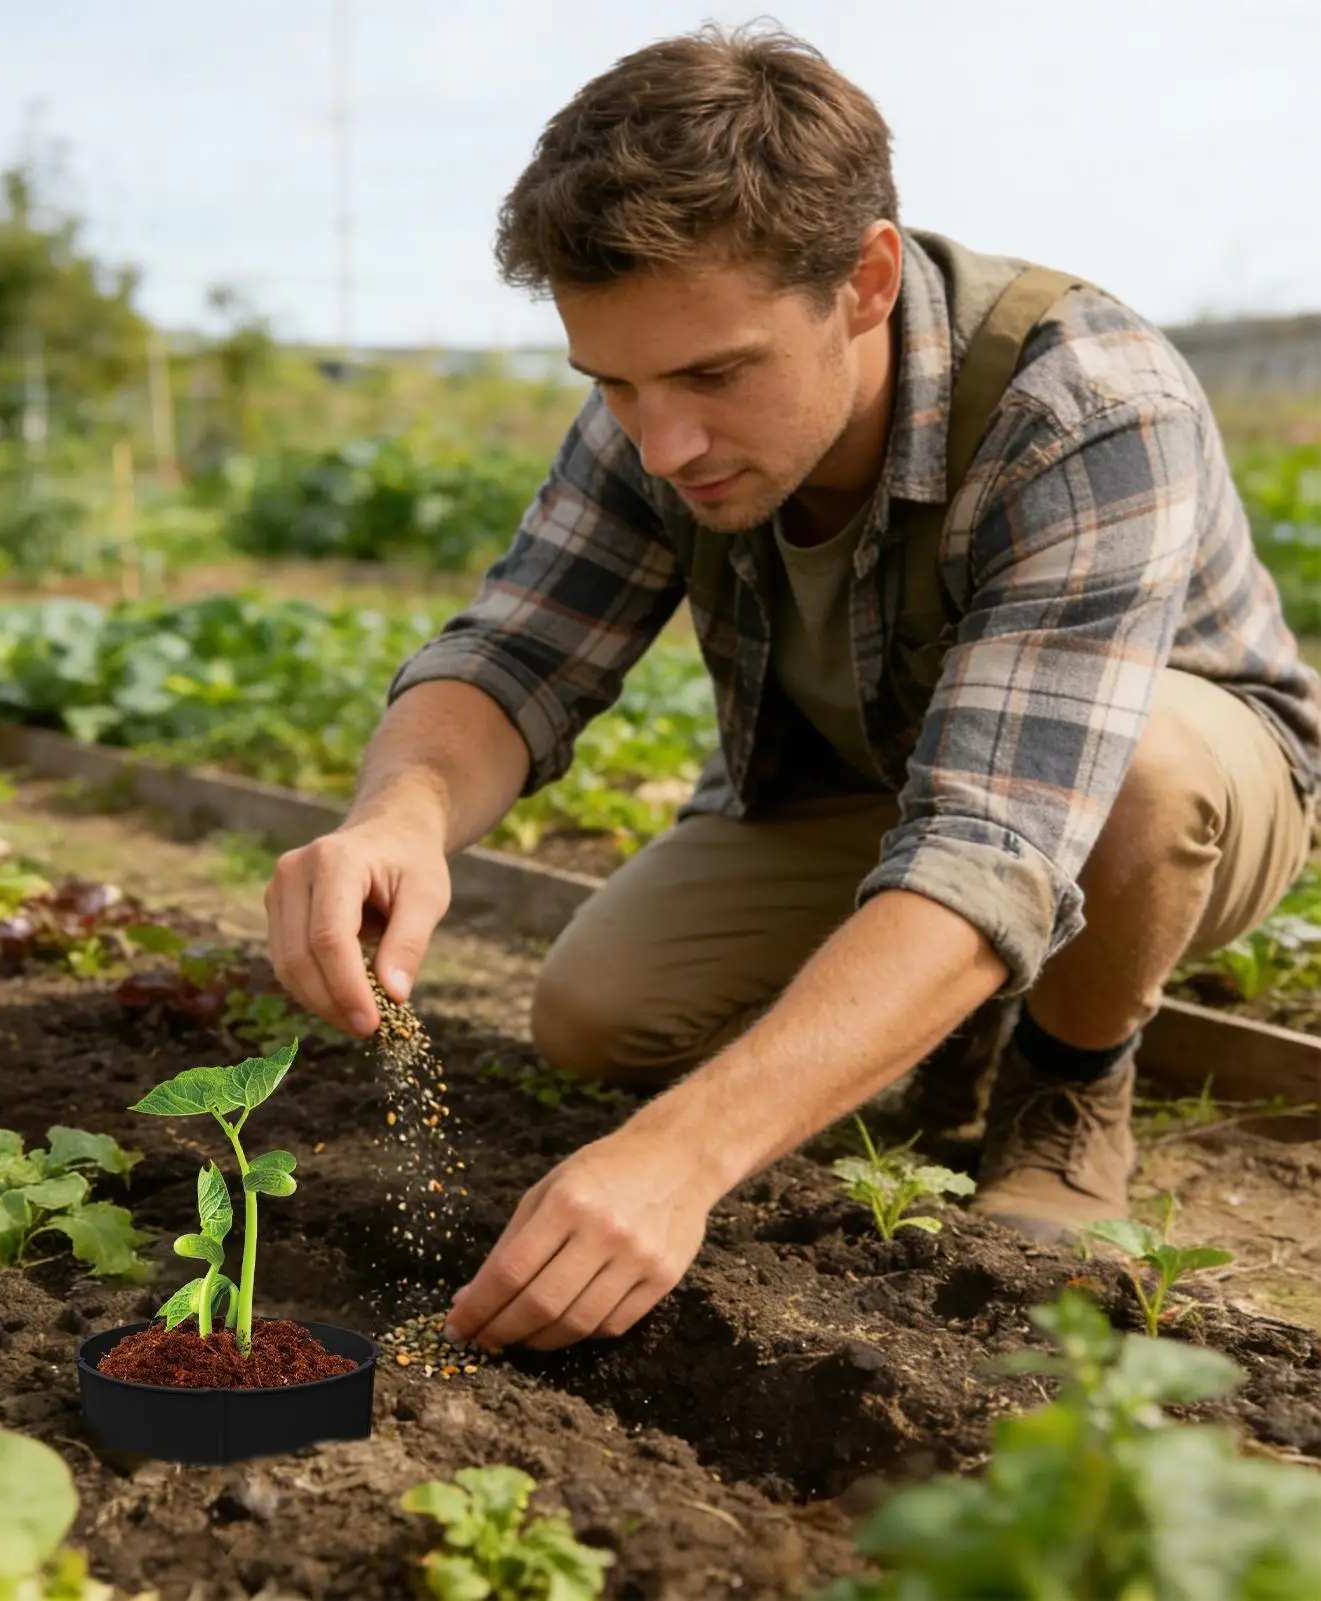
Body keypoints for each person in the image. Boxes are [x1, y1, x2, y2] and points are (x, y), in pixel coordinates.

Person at [264, 24, 1321, 1354]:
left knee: (1143, 779)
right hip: (867, 780)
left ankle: (1069, 1080)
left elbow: (999, 836)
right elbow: (517, 653)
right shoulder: (656, 411)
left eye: (714, 374)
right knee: (597, 1016)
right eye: (616, 382)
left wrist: (686, 1155)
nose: (665, 441)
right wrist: (399, 816)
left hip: (1153, 795)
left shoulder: (1088, 405)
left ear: (865, 280)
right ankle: (931, 1020)